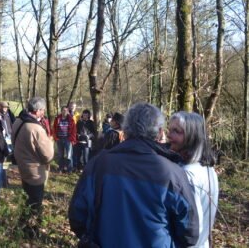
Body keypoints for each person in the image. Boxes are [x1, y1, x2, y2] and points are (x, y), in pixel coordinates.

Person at [69, 102, 199, 247]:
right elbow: (189, 234)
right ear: (161, 132)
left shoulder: (98, 164)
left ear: (125, 129)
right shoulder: (173, 173)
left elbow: (77, 218)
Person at [167, 112, 219, 248]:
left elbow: (190, 227)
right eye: (169, 130)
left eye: (176, 131)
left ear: (192, 137)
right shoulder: (208, 169)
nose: (168, 135)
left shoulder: (187, 174)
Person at [11, 97, 54, 234]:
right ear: (38, 110)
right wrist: (50, 144)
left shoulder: (18, 121)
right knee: (35, 201)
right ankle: (31, 231)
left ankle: (23, 225)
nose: (43, 112)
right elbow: (48, 155)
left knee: (27, 199)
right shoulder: (36, 128)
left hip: (23, 166)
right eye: (42, 110)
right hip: (35, 171)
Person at [53, 106, 76, 173]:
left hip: (68, 139)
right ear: (61, 111)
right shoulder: (57, 119)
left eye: (66, 110)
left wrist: (72, 139)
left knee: (69, 155)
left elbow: (74, 130)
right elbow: (54, 129)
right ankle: (60, 168)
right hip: (59, 139)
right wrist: (56, 138)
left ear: (68, 111)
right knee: (61, 155)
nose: (64, 112)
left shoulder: (71, 119)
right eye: (63, 110)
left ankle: (69, 170)